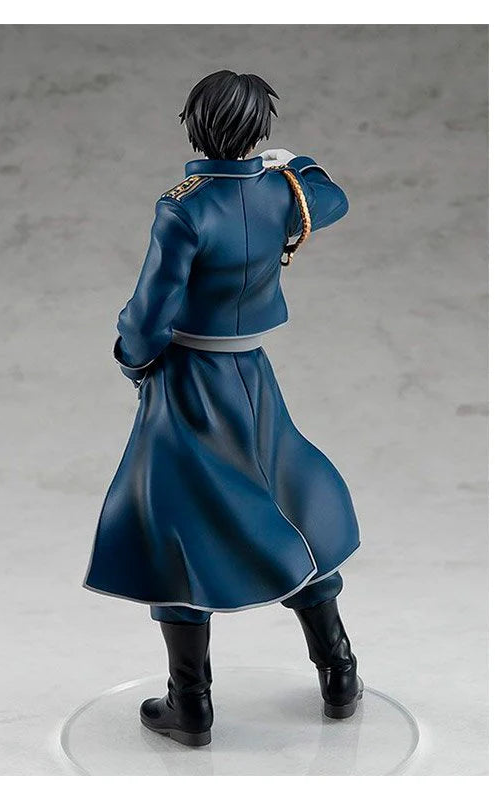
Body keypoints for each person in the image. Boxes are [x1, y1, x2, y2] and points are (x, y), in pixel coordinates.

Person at [84, 70, 362, 747]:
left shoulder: (182, 207)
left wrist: (132, 358)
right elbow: (332, 199)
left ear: (195, 125)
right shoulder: (278, 191)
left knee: (172, 526)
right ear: (258, 128)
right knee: (286, 504)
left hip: (188, 383)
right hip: (252, 377)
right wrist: (295, 163)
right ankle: (339, 671)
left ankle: (191, 701)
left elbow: (150, 311)